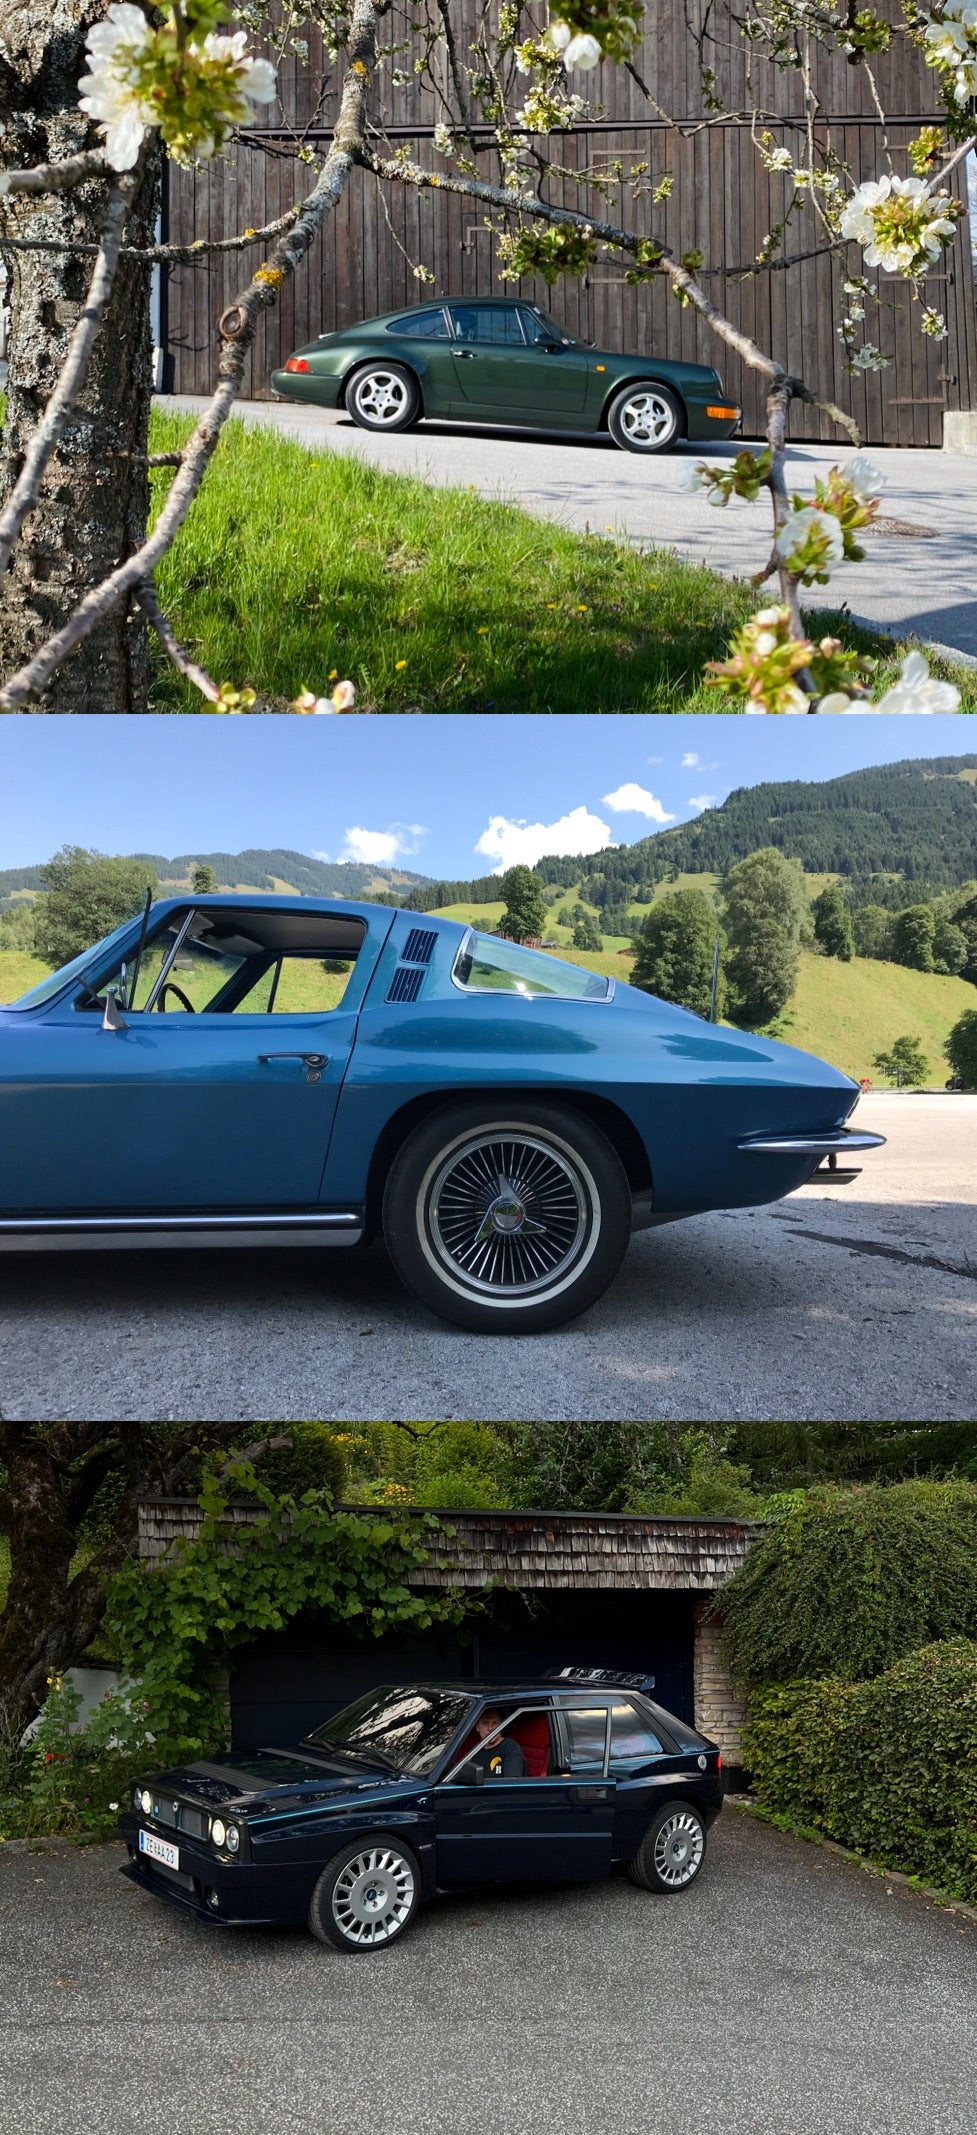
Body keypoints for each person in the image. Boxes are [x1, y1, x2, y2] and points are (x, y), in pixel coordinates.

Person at [466, 1707, 526, 1780]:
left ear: (502, 1726)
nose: (490, 1728)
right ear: (477, 1727)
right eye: (485, 1723)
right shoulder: (475, 1751)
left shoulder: (510, 1748)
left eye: (495, 1723)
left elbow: (512, 1784)